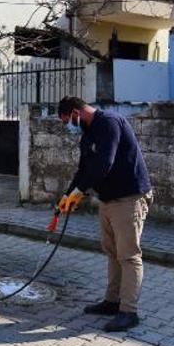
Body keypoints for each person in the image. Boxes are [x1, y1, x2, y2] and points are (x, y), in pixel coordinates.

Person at [57, 96, 152, 332]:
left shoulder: (109, 122)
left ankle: (129, 312)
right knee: (112, 252)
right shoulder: (88, 133)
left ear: (77, 112)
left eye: (68, 120)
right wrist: (67, 195)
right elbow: (84, 169)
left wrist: (79, 191)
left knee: (129, 256)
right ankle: (112, 302)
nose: (69, 125)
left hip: (129, 198)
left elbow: (103, 164)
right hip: (108, 200)